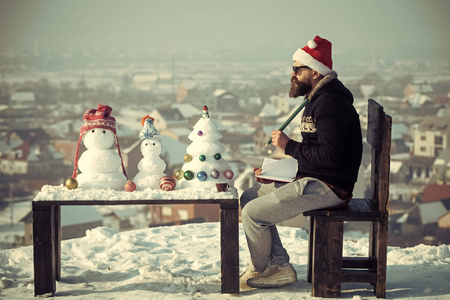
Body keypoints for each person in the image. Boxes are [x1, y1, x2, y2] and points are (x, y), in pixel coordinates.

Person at [240, 36, 363, 289]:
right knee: (249, 198)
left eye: (297, 68)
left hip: (328, 186)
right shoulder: (317, 99)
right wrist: (277, 172)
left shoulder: (330, 103)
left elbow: (330, 157)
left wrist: (289, 146)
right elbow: (319, 150)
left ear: (315, 72)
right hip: (313, 177)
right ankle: (278, 264)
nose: (292, 74)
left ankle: (265, 268)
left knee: (253, 214)